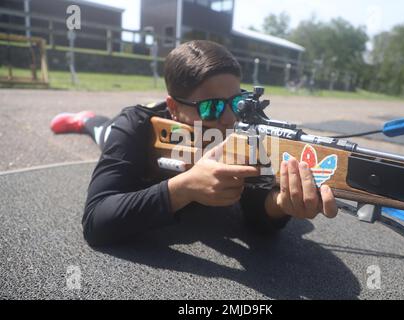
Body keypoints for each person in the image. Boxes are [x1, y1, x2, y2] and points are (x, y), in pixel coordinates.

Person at [50, 40, 338, 246]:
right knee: (102, 132)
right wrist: (183, 187)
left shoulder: (244, 126)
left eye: (236, 102)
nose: (229, 118)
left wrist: (279, 205)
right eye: (211, 107)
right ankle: (85, 118)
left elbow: (255, 209)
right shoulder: (136, 125)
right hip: (127, 131)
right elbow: (96, 222)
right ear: (174, 107)